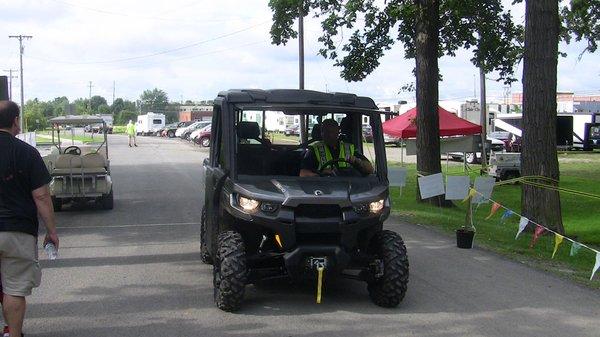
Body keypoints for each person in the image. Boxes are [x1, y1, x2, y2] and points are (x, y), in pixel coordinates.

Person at [0, 101, 59, 337]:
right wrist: (51, 231)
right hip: (17, 231)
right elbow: (42, 196)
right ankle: (13, 334)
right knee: (14, 289)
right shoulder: (26, 153)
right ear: (15, 121)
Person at [300, 119, 374, 177]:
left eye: (331, 131)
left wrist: (357, 162)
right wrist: (320, 174)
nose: (327, 135)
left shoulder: (349, 148)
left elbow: (370, 169)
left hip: (349, 186)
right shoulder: (314, 149)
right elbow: (303, 174)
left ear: (338, 131)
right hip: (323, 188)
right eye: (324, 131)